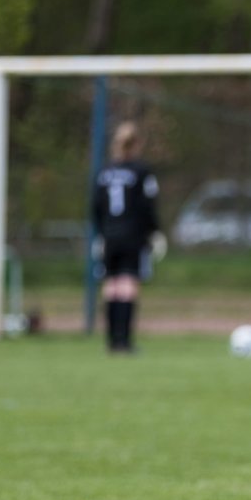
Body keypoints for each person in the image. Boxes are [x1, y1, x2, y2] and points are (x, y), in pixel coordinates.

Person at [91, 121, 160, 353]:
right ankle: (124, 341)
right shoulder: (141, 172)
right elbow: (147, 206)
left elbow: (96, 206)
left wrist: (100, 233)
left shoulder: (104, 172)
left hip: (109, 235)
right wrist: (154, 232)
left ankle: (111, 341)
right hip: (132, 235)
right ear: (137, 144)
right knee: (128, 284)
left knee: (111, 285)